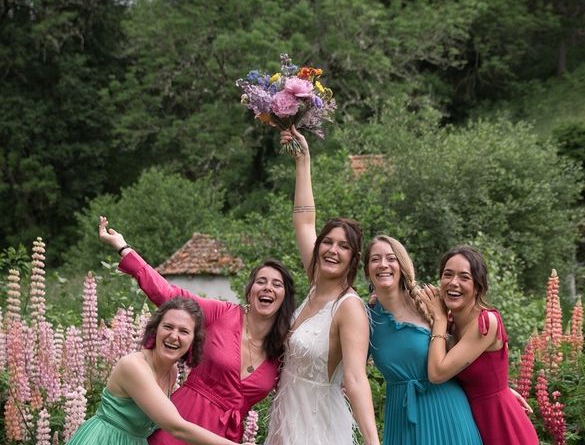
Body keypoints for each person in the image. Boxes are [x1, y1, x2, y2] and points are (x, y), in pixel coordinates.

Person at [99, 217, 296, 444]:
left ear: (284, 297)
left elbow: (296, 391)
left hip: (225, 438)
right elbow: (169, 295)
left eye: (277, 284)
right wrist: (124, 249)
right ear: (250, 290)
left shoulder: (284, 347)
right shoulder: (221, 313)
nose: (268, 288)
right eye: (261, 281)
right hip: (181, 423)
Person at [265, 128, 380, 445]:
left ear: (353, 258)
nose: (332, 250)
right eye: (327, 242)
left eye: (342, 247)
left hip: (317, 424)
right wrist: (303, 161)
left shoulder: (349, 308)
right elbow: (303, 221)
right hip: (286, 415)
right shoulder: (315, 282)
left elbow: (356, 379)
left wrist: (373, 442)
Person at [68, 296, 251, 445]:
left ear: (194, 341)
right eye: (168, 327)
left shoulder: (171, 372)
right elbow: (175, 427)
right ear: (155, 330)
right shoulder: (133, 366)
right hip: (105, 440)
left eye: (184, 331)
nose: (174, 336)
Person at [364, 235, 482, 444]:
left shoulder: (431, 300)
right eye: (375, 259)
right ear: (367, 270)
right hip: (401, 419)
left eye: (391, 258)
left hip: (449, 412)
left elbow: (467, 348)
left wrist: (497, 387)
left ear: (402, 265)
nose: (383, 264)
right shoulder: (364, 318)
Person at [421, 245, 539, 445]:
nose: (453, 283)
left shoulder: (486, 322)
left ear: (478, 285)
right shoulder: (452, 322)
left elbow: (437, 373)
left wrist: (439, 321)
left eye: (464, 277)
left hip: (501, 425)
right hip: (469, 424)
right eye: (447, 275)